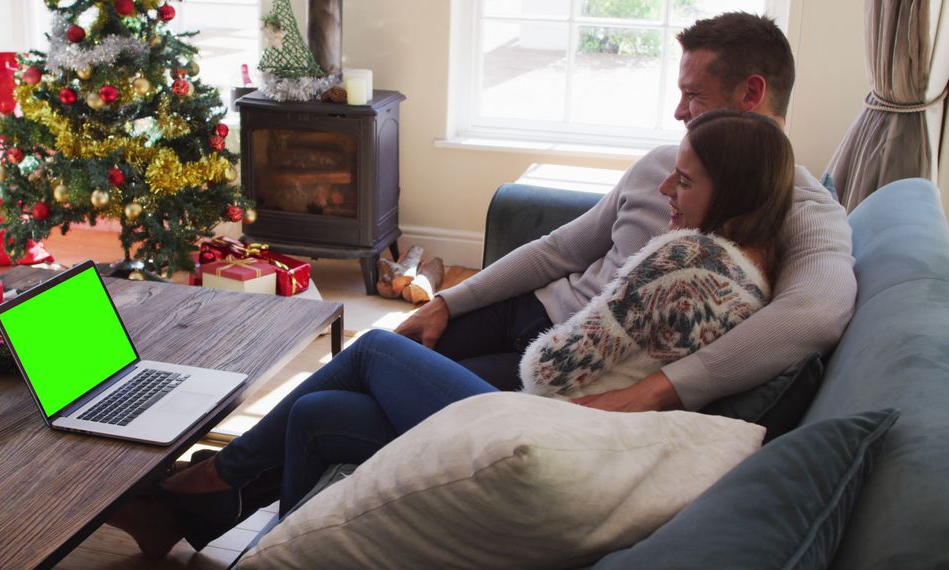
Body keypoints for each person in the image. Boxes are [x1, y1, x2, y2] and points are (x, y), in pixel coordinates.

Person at [109, 109, 796, 558]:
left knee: (379, 345)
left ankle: (215, 479)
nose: (668, 193)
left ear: (730, 190)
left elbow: (549, 368)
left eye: (686, 180)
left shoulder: (686, 266)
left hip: (543, 430)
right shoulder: (745, 274)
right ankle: (250, 533)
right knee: (321, 413)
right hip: (564, 436)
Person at [395, 12, 856, 413]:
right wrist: (448, 302)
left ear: (751, 94)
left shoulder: (806, 210)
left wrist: (659, 391)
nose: (679, 111)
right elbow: (558, 251)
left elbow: (814, 314)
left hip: (574, 364)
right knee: (394, 351)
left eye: (694, 94)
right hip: (528, 310)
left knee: (383, 383)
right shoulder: (663, 162)